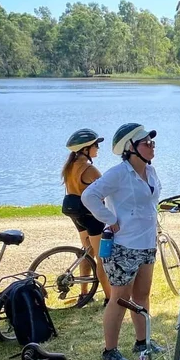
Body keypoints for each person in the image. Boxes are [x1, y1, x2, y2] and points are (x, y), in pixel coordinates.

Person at [82, 123, 164, 360]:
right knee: (119, 297)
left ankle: (142, 341)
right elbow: (89, 196)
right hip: (123, 246)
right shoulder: (118, 173)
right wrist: (110, 219)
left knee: (142, 295)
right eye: (145, 143)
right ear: (130, 148)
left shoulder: (151, 171)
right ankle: (110, 350)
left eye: (152, 142)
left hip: (147, 243)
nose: (151, 146)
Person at [60, 129, 111, 304]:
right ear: (86, 149)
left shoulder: (69, 167)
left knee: (86, 252)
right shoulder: (89, 169)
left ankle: (84, 293)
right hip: (92, 216)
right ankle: (109, 297)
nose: (98, 148)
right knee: (101, 257)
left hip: (77, 215)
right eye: (95, 145)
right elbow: (107, 192)